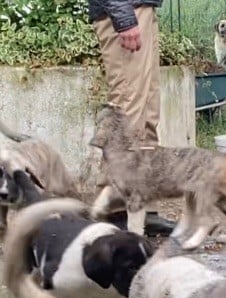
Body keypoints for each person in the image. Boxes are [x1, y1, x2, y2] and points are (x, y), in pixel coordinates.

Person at [88, 0, 175, 236]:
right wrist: (123, 16)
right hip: (125, 12)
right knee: (127, 113)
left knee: (147, 114)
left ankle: (142, 208)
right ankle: (114, 209)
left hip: (139, 10)